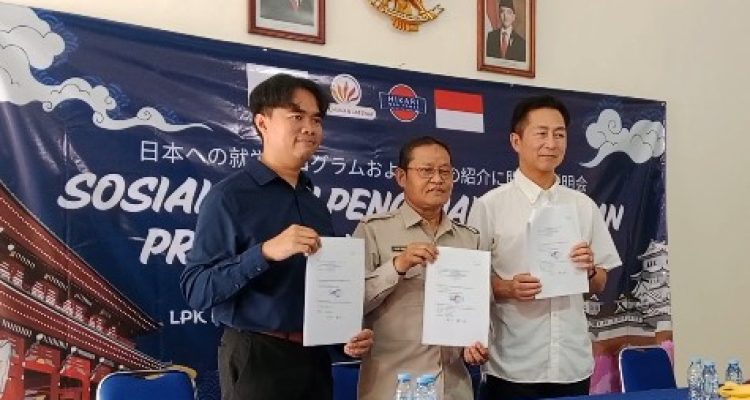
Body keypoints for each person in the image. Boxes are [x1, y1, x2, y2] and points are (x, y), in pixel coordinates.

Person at [179, 74, 373, 400]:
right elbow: (196, 288)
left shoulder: (314, 205)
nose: (309, 128)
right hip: (258, 357)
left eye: (316, 120)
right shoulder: (229, 197)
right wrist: (266, 252)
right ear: (262, 123)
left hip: (314, 361)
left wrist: (345, 340)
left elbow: (317, 292)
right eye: (296, 116)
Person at [468, 95, 622, 400]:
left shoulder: (583, 206)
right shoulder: (489, 206)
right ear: (516, 141)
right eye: (541, 133)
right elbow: (471, 282)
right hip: (513, 365)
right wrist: (507, 288)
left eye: (559, 134)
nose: (551, 143)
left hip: (571, 363)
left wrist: (589, 270)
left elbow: (600, 283)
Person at [353, 136, 489, 400]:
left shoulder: (469, 238)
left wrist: (477, 345)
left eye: (445, 171)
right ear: (401, 177)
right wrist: (397, 266)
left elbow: (482, 307)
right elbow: (352, 303)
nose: (437, 179)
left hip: (454, 388)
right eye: (426, 171)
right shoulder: (373, 230)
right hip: (393, 386)